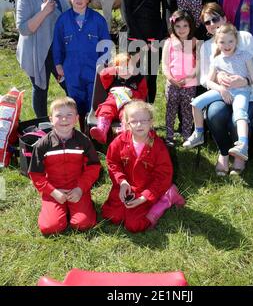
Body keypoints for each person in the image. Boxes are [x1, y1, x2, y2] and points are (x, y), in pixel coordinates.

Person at [184, 23, 253, 162]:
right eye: (222, 42)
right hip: (224, 91)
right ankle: (199, 133)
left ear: (236, 40)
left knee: (240, 114)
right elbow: (208, 82)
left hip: (241, 92)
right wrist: (220, 88)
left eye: (230, 41)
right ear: (217, 42)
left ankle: (243, 144)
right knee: (196, 103)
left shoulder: (244, 55)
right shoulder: (216, 60)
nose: (227, 45)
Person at [196, 2, 253, 176]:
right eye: (208, 22)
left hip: (249, 94)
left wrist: (244, 80)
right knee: (214, 115)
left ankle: (239, 156)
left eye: (216, 19)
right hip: (223, 94)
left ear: (225, 18)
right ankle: (224, 152)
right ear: (205, 27)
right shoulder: (206, 47)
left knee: (236, 118)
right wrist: (219, 85)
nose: (213, 24)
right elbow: (204, 78)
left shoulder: (245, 37)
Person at [101, 100, 185, 232]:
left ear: (151, 122)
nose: (139, 124)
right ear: (127, 124)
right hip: (126, 187)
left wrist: (144, 197)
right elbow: (113, 163)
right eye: (134, 121)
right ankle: (132, 202)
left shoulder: (158, 147)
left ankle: (166, 199)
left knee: (135, 225)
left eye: (144, 121)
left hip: (149, 188)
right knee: (111, 216)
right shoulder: (119, 142)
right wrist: (122, 182)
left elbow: (163, 176)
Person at [28, 97, 100, 235]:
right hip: (54, 190)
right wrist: (53, 192)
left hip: (78, 188)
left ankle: (77, 207)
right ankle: (55, 208)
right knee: (50, 227)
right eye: (59, 116)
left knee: (83, 224)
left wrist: (80, 189)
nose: (64, 119)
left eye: (69, 115)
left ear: (76, 118)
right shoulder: (43, 145)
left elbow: (93, 167)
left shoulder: (84, 141)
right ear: (51, 119)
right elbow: (36, 175)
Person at [53, 0, 111, 130]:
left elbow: (106, 44)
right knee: (75, 103)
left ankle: (94, 133)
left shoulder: (98, 20)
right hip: (72, 70)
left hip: (93, 69)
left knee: (94, 102)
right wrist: (58, 64)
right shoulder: (63, 20)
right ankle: (80, 134)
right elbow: (57, 44)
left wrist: (104, 65)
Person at [16, 0, 70, 117]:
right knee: (41, 89)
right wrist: (45, 11)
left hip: (57, 49)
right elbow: (23, 29)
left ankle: (73, 119)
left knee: (69, 84)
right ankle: (43, 127)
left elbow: (67, 16)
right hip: (36, 50)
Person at [121, 0, 170, 103]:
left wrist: (160, 36)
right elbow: (125, 10)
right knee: (132, 77)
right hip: (134, 35)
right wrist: (140, 39)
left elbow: (167, 10)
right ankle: (133, 116)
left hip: (154, 35)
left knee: (151, 77)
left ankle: (148, 116)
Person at [90, 53, 148, 144]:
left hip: (129, 103)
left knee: (128, 113)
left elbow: (143, 94)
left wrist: (133, 93)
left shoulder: (138, 78)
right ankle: (101, 131)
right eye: (122, 68)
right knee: (106, 109)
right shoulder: (113, 78)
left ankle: (124, 132)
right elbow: (103, 74)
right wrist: (114, 69)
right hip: (113, 101)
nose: (125, 71)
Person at [162, 10, 199, 145]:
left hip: (189, 84)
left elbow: (198, 66)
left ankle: (187, 135)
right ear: (173, 27)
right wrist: (171, 78)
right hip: (172, 83)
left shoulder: (195, 42)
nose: (181, 29)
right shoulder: (169, 43)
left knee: (188, 111)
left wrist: (188, 78)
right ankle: (169, 136)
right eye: (178, 26)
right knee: (170, 109)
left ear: (191, 26)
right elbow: (165, 65)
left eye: (185, 26)